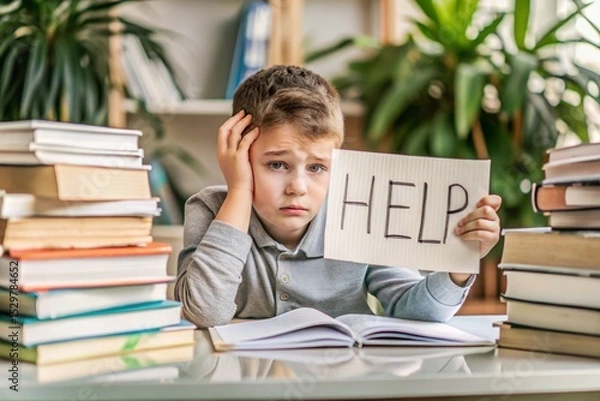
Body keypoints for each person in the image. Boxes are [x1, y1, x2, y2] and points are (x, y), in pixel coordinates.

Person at [175, 65, 502, 329]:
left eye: (317, 167)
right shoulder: (212, 209)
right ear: (239, 155)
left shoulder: (358, 211)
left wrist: (459, 266)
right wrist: (240, 190)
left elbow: (415, 312)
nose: (298, 186)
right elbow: (203, 312)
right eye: (277, 164)